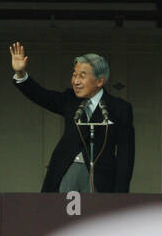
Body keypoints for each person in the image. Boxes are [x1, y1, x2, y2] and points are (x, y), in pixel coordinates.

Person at [10, 42, 134, 193]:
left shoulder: (120, 108)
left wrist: (120, 195)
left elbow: (125, 156)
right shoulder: (70, 100)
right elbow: (41, 96)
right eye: (74, 75)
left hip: (101, 178)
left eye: (82, 76)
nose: (75, 81)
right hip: (66, 170)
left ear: (100, 81)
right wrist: (21, 74)